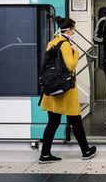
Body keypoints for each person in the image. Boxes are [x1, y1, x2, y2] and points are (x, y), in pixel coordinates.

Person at [40, 17, 96, 164]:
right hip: (65, 90)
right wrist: (75, 52)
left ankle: (45, 154)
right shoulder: (65, 45)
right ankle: (86, 151)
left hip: (52, 89)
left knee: (53, 122)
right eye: (74, 29)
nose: (74, 31)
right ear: (69, 30)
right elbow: (70, 66)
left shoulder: (52, 42)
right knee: (76, 120)